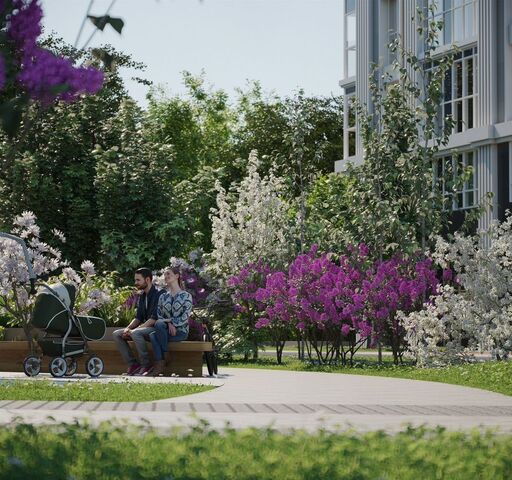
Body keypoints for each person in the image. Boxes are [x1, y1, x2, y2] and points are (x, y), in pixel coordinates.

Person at [112, 268, 163, 375]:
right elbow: (138, 318)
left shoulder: (159, 294)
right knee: (117, 334)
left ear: (148, 280)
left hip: (156, 329)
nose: (135, 283)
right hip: (144, 328)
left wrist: (136, 330)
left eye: (138, 280)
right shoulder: (142, 295)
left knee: (136, 333)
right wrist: (128, 328)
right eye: (135, 280)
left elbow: (154, 319)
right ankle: (133, 364)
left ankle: (146, 365)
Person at [148, 266, 193, 376]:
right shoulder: (163, 296)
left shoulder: (186, 296)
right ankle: (163, 358)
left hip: (180, 332)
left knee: (154, 336)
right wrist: (169, 323)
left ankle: (161, 361)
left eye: (169, 274)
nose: (166, 276)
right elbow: (159, 315)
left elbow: (185, 316)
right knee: (156, 330)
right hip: (165, 330)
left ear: (177, 276)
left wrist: (172, 323)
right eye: (165, 274)